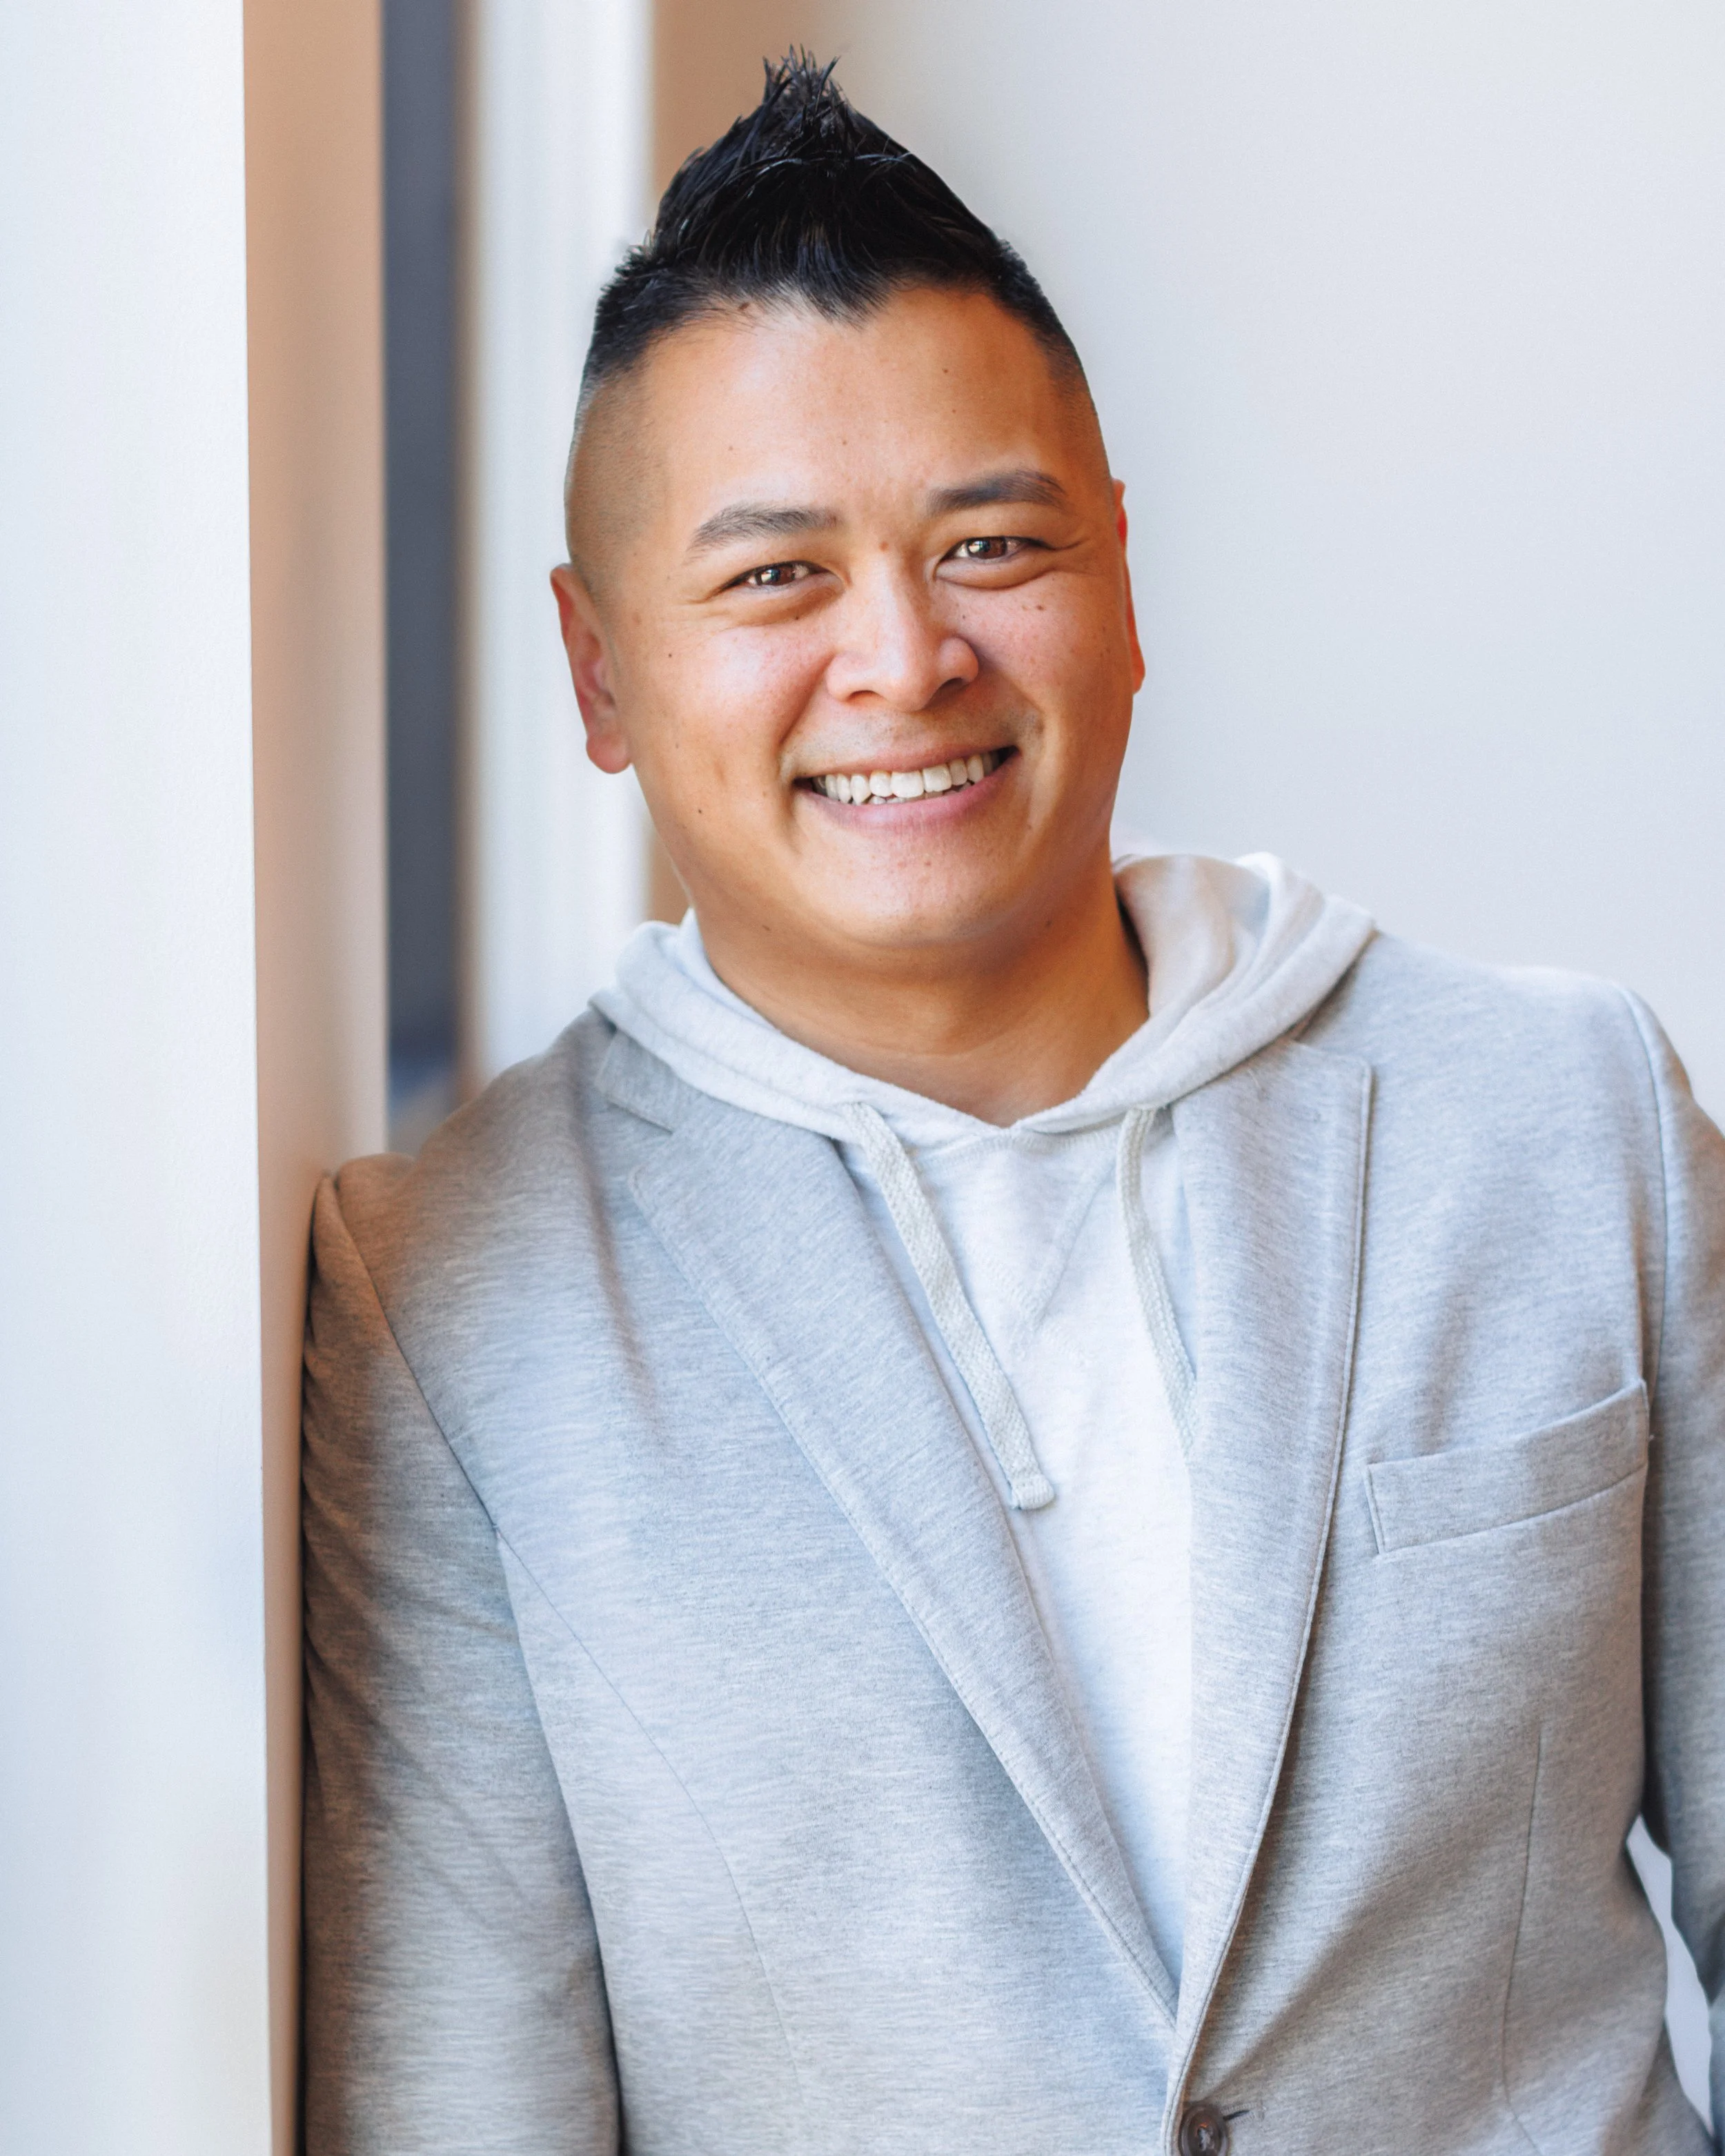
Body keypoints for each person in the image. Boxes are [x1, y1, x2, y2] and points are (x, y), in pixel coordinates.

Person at [300, 56, 1725, 2156]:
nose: (904, 656)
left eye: (989, 543)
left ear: (1121, 577)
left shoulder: (1560, 1110)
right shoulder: (454, 1302)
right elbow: (461, 2105)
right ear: (599, 673)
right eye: (774, 577)